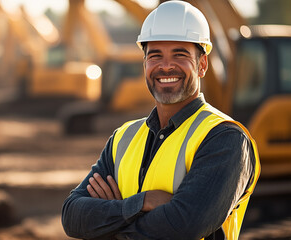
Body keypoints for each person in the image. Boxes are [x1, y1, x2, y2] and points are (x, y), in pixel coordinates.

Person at [61, 1, 261, 239]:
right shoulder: (123, 138)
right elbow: (72, 216)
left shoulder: (225, 138)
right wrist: (141, 202)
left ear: (202, 64)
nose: (166, 66)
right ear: (145, 64)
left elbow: (183, 225)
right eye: (155, 55)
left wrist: (107, 223)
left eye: (180, 54)